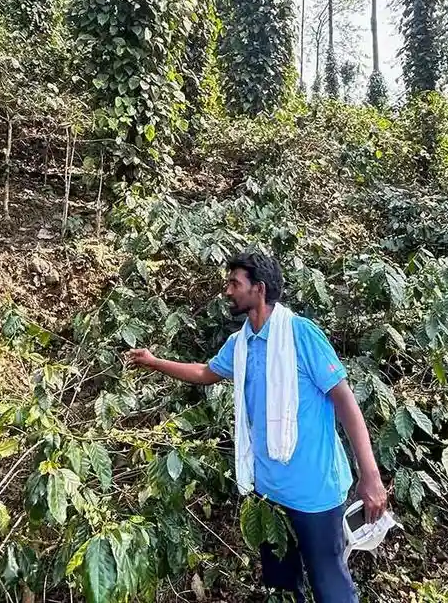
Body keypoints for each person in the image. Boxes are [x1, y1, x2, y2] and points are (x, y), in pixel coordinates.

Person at [125, 251, 386, 603]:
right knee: (282, 588)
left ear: (259, 289)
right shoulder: (241, 344)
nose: (228, 291)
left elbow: (345, 401)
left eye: (235, 283)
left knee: (331, 587)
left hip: (316, 493)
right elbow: (206, 373)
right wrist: (156, 363)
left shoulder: (301, 335)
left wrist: (369, 474)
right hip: (268, 491)